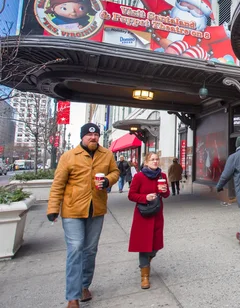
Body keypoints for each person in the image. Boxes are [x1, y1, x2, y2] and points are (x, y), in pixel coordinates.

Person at [46, 123, 120, 308]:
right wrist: (53, 208)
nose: (93, 138)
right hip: (72, 210)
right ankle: (73, 296)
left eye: (95, 135)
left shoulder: (107, 154)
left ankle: (84, 285)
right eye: (89, 135)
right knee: (76, 248)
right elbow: (58, 184)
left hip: (96, 209)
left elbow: (115, 172)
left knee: (90, 250)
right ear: (82, 137)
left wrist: (108, 181)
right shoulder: (69, 156)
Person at [127, 153, 170, 289]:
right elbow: (131, 195)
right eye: (152, 159)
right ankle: (144, 276)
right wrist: (145, 197)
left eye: (157, 159)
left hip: (157, 214)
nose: (155, 161)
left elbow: (167, 194)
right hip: (143, 215)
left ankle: (147, 261)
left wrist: (163, 191)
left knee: (156, 246)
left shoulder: (162, 176)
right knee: (143, 246)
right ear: (146, 162)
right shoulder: (139, 177)